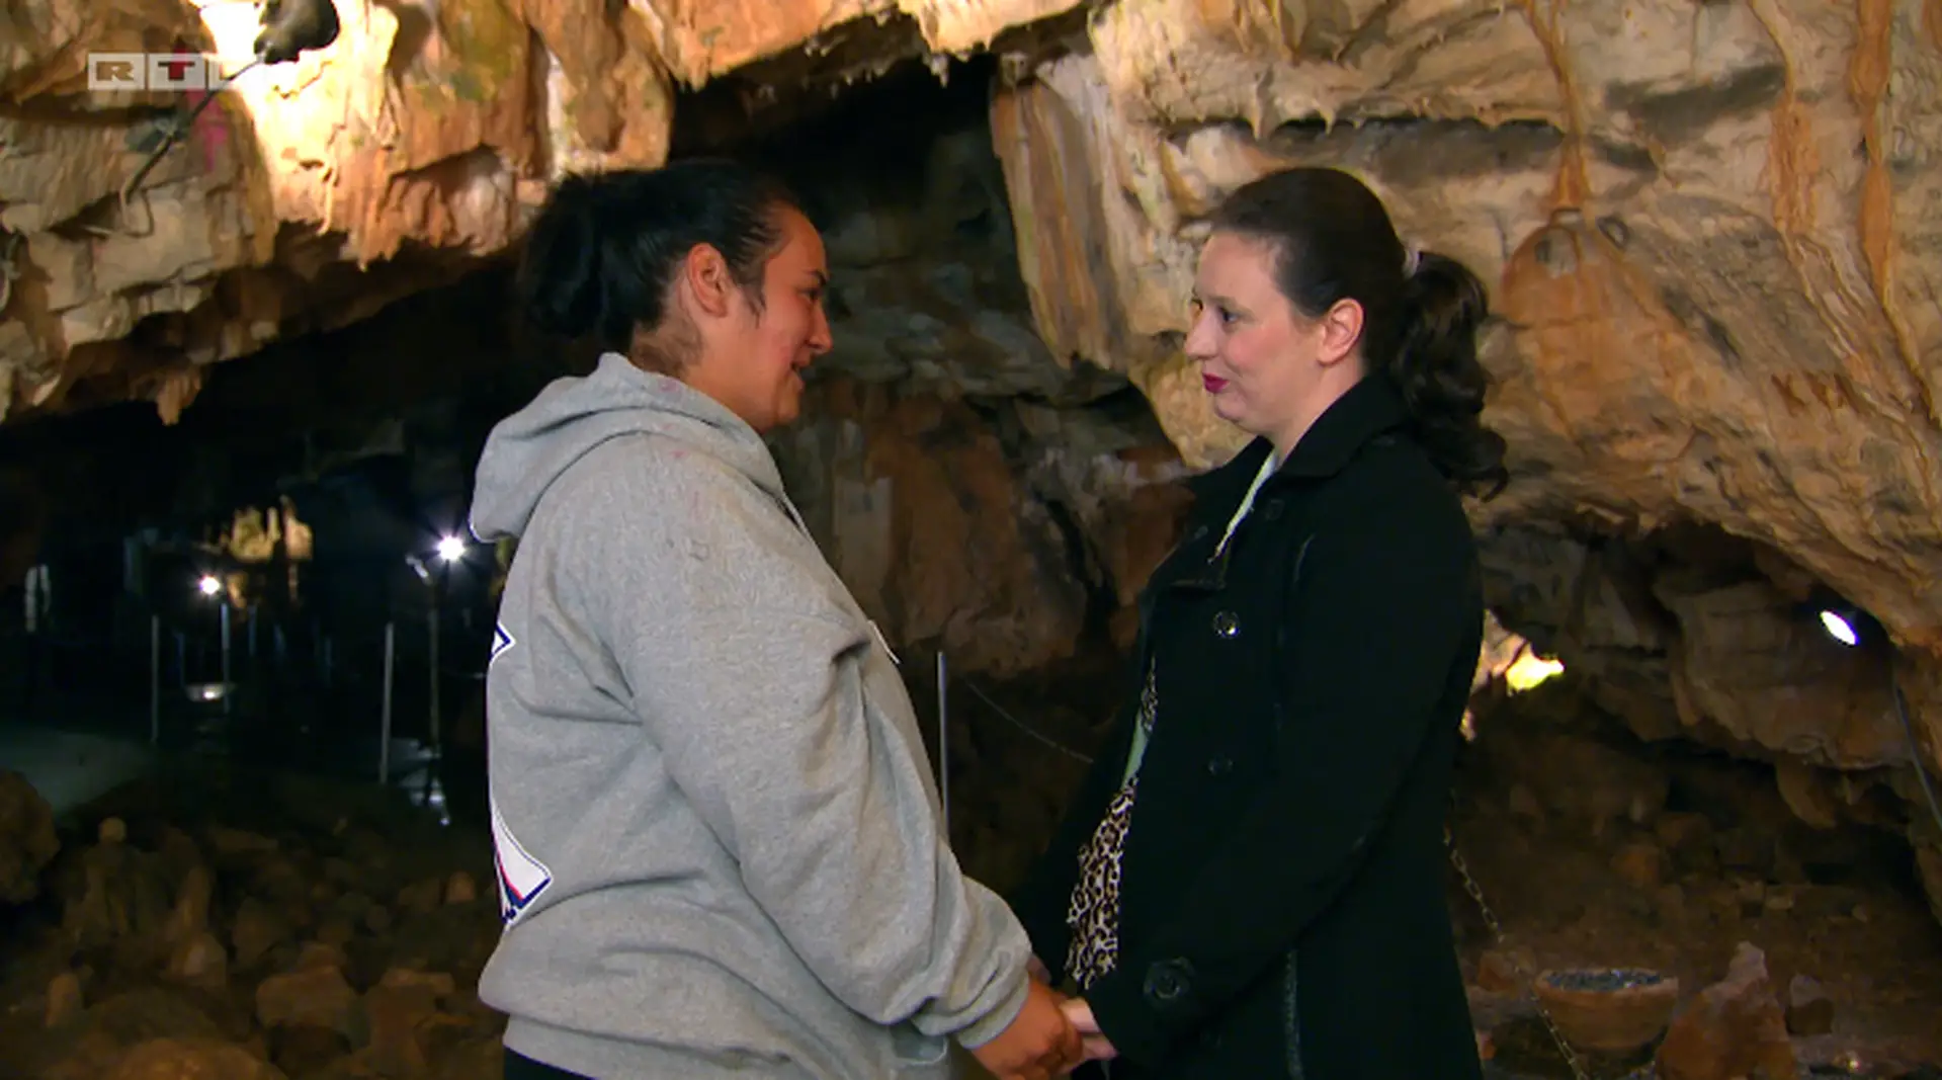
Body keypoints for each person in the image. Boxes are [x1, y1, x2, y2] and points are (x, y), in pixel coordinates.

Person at [467, 159, 1083, 1080]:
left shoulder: (631, 485)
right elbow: (798, 797)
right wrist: (977, 992)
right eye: (808, 293)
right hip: (687, 1052)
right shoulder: (665, 496)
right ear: (711, 281)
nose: (824, 335)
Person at [1010, 165, 1509, 1078]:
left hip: (1302, 1037)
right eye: (1200, 308)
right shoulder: (1253, 498)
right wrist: (1030, 937)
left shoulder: (1390, 525)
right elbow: (1142, 752)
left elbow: (1318, 814)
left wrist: (1146, 1002)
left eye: (1231, 316)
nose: (1199, 340)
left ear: (1337, 330)